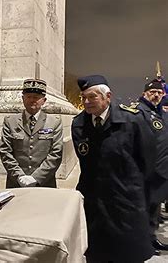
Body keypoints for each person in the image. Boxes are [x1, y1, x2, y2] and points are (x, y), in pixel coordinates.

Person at [71, 75, 156, 262]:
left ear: (107, 96)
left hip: (126, 203)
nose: (86, 102)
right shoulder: (78, 123)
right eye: (83, 97)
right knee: (97, 254)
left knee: (128, 255)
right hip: (94, 206)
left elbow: (148, 161)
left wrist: (136, 191)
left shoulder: (132, 120)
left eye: (92, 97)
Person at [0, 78, 63, 188]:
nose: (32, 100)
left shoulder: (54, 122)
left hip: (44, 184)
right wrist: (19, 176)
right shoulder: (10, 121)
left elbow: (56, 154)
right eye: (29, 97)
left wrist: (36, 177)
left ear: (44, 100)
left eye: (36, 97)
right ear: (23, 98)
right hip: (17, 183)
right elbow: (5, 151)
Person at [131, 79, 168, 254]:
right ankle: (142, 242)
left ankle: (150, 239)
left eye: (159, 93)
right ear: (145, 93)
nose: (156, 95)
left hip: (160, 172)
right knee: (143, 209)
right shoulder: (139, 112)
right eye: (152, 92)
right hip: (145, 172)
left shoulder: (160, 112)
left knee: (153, 209)